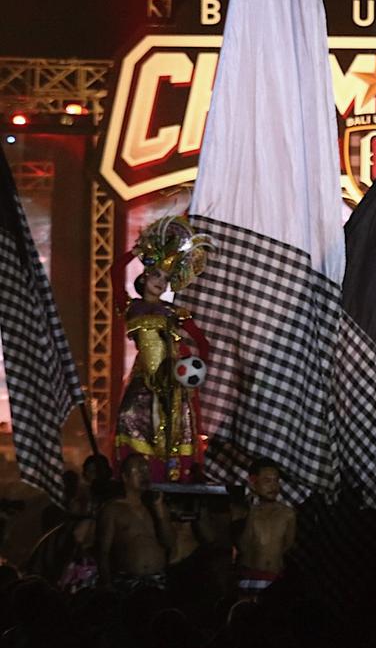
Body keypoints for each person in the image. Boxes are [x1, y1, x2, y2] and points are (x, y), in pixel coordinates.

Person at [114, 216, 211, 483]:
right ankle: (136, 477)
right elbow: (114, 272)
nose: (160, 281)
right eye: (156, 274)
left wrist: (196, 369)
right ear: (144, 277)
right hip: (143, 379)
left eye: (166, 279)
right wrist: (135, 252)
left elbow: (202, 343)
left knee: (174, 432)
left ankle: (173, 479)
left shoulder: (175, 313)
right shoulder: (130, 307)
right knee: (128, 416)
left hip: (173, 380)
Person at [97, 454, 173, 593]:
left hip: (157, 580)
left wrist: (160, 512)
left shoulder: (156, 506)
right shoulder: (113, 510)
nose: (144, 475)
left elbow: (168, 543)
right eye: (138, 471)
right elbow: (103, 551)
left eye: (147, 470)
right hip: (127, 582)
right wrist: (107, 584)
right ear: (125, 477)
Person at [234, 457, 296, 597]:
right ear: (254, 483)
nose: (273, 486)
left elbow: (288, 546)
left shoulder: (287, 514)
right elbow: (242, 546)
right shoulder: (244, 511)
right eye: (267, 481)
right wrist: (251, 514)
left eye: (276, 481)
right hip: (248, 577)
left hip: (274, 576)